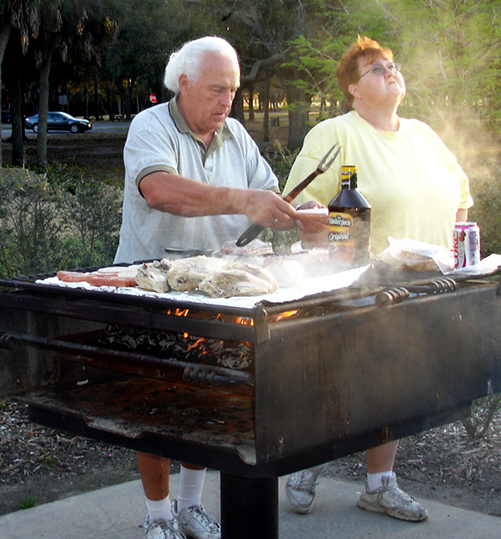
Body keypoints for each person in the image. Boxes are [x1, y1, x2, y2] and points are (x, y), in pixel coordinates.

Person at [113, 36, 313, 539]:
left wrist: (305, 217)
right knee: (157, 403)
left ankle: (190, 508)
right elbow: (159, 190)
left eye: (233, 91)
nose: (228, 101)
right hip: (154, 288)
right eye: (217, 89)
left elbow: (266, 196)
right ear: (184, 84)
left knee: (210, 398)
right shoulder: (150, 126)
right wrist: (243, 200)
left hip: (219, 292)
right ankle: (158, 517)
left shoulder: (237, 135)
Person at [282, 35, 473, 522]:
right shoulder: (336, 133)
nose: (390, 71)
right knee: (345, 378)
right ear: (353, 89)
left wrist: (461, 250)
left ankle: (378, 484)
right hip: (360, 283)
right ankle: (311, 458)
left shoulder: (424, 135)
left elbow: (462, 196)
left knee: (397, 383)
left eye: (392, 64)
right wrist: (333, 228)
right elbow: (300, 204)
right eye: (376, 69)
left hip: (424, 285)